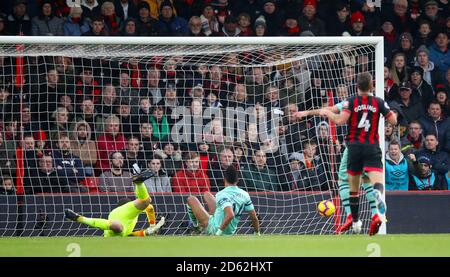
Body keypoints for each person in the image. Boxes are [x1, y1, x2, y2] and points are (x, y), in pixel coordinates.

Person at [319, 72, 397, 236]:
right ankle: (377, 204)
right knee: (372, 180)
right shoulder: (378, 102)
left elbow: (339, 119)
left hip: (354, 147)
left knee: (348, 184)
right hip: (372, 146)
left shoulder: (351, 101)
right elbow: (393, 121)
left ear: (356, 87)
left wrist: (327, 113)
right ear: (372, 86)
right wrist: (385, 112)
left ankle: (354, 220)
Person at [65, 170, 166, 237]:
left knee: (118, 226)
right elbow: (149, 208)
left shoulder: (121, 222)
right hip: (118, 220)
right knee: (144, 202)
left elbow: (130, 235)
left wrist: (148, 231)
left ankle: (139, 184)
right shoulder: (128, 214)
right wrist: (152, 224)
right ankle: (139, 183)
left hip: (115, 227)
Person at [185, 165, 260, 236]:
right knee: (207, 194)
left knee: (191, 199)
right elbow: (254, 217)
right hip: (230, 230)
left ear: (224, 179)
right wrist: (257, 233)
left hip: (215, 229)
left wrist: (217, 234)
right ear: (238, 180)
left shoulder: (222, 194)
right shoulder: (245, 194)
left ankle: (195, 226)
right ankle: (208, 219)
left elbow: (230, 214)